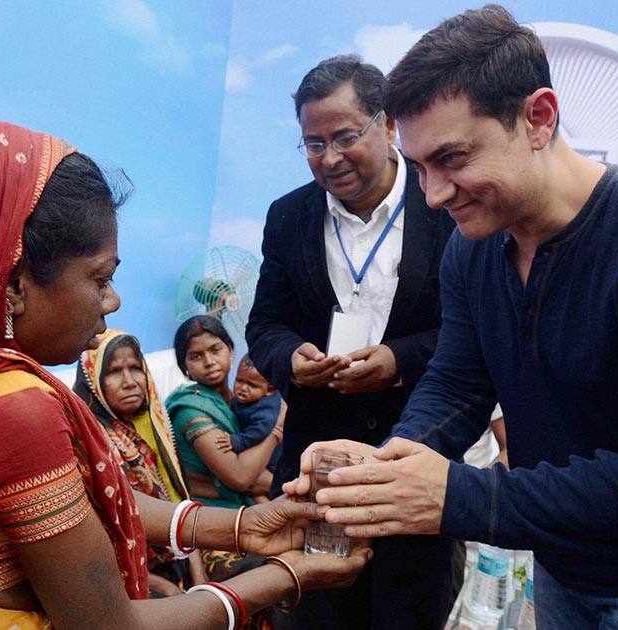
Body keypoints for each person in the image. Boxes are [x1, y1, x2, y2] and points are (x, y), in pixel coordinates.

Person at [0, 117, 369, 629]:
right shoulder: (7, 405)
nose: (113, 301)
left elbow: (73, 510)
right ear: (13, 283)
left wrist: (241, 529)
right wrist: (282, 577)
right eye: (98, 278)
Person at [283, 6, 618, 629]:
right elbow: (458, 380)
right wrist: (390, 465)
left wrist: (456, 495)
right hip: (560, 570)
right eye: (421, 167)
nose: (434, 194)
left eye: (453, 158)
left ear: (538, 118)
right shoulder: (474, 247)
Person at [246, 55, 460, 630]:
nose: (330, 158)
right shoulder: (288, 216)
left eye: (344, 137)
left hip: (413, 467)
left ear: (387, 125)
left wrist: (399, 361)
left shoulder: (446, 206)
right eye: (312, 144)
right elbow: (264, 325)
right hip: (314, 480)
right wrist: (291, 358)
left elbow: (470, 336)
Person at [74, 329, 204, 596]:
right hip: (125, 574)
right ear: (92, 381)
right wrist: (164, 587)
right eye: (113, 372)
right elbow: (101, 538)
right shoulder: (89, 442)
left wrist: (200, 576)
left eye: (135, 368)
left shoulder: (157, 424)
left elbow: (179, 499)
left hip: (178, 551)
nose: (129, 381)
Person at [167, 317, 279, 509]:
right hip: (213, 515)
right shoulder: (190, 408)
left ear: (231, 351)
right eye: (196, 356)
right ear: (184, 367)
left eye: (215, 350)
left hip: (251, 507)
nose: (209, 362)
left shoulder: (243, 400)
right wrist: (278, 430)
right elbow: (240, 477)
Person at [213, 355, 284, 473]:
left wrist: (238, 441)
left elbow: (262, 429)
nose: (243, 388)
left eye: (252, 385)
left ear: (270, 390)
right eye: (239, 380)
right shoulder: (244, 398)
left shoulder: (266, 412)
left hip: (270, 462)